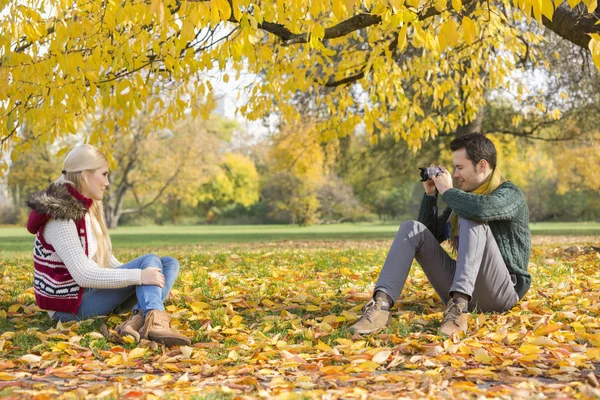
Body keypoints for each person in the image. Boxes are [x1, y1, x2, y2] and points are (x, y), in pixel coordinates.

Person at [349, 133, 531, 336]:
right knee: (411, 228)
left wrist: (448, 191)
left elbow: (480, 210)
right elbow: (429, 236)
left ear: (482, 165)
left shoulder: (510, 194)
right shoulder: (465, 199)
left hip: (501, 292)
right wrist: (430, 195)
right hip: (461, 289)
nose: (454, 174)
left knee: (470, 214)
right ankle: (380, 308)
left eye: (460, 167)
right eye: (454, 168)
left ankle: (459, 309)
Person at [26, 144, 191, 346]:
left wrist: (148, 279)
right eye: (103, 174)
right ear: (85, 175)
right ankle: (155, 322)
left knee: (168, 263)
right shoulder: (60, 218)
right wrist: (140, 276)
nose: (107, 182)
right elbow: (84, 274)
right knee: (148, 262)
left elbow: (108, 260)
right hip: (69, 308)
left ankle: (137, 320)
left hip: (88, 295)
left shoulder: (89, 207)